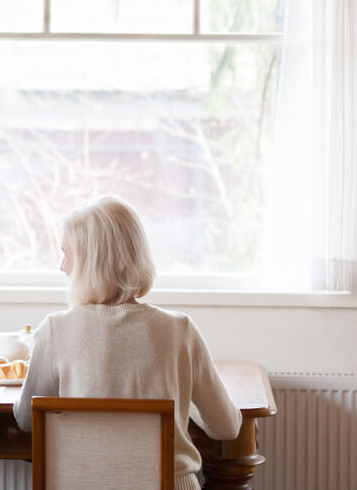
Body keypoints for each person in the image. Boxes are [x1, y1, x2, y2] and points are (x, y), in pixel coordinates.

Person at [13, 195, 242, 490]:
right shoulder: (178, 329)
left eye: (67, 255)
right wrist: (182, 393)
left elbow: (25, 420)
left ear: (90, 262)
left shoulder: (55, 329)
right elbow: (227, 427)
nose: (63, 267)